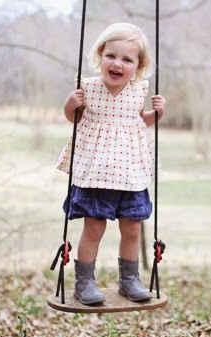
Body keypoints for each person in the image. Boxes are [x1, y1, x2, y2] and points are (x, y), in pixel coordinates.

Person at [56, 23, 166, 305]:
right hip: (96, 174)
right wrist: (70, 104)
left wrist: (157, 113)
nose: (117, 63)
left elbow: (139, 123)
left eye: (127, 59)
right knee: (94, 228)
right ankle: (85, 282)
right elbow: (76, 120)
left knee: (132, 228)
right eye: (111, 56)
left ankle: (129, 280)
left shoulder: (137, 91)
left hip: (130, 172)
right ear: (100, 56)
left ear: (138, 66)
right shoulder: (87, 88)